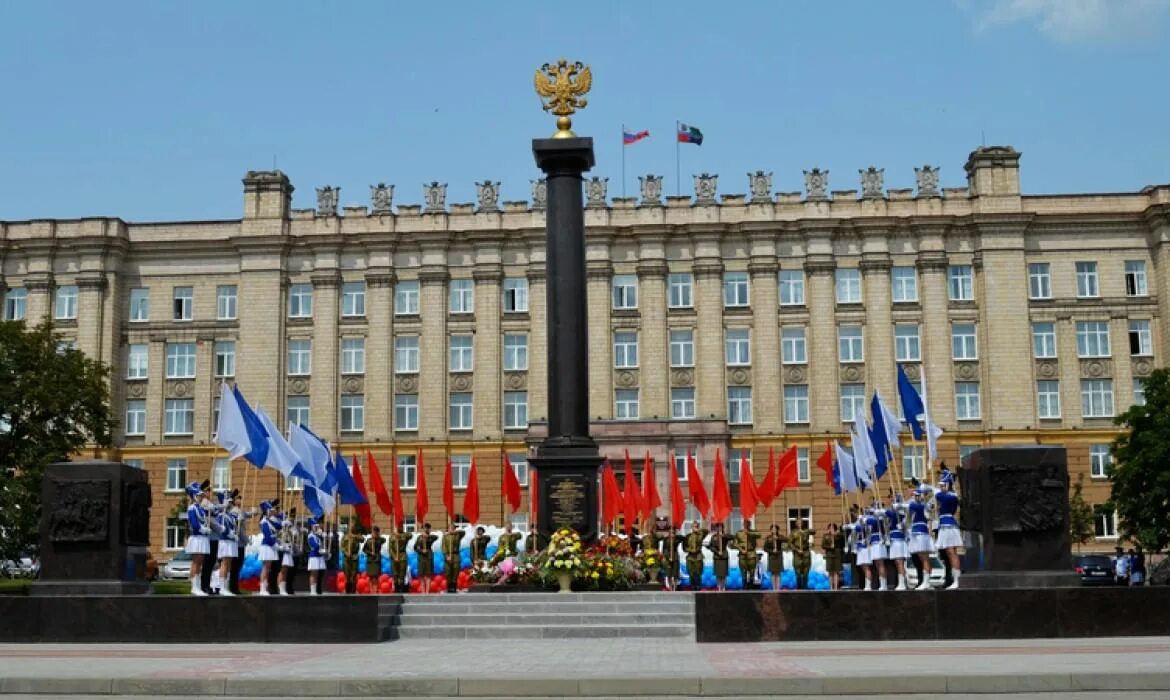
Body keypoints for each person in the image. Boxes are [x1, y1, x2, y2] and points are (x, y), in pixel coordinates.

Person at [934, 471, 962, 590]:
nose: (940, 487)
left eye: (943, 484)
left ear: (948, 484)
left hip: (948, 525)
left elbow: (939, 495)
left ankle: (957, 580)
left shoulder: (949, 496)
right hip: (945, 524)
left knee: (951, 553)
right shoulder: (950, 496)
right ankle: (955, 579)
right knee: (950, 553)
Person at [183, 480, 212, 596]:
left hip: (203, 538)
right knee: (196, 562)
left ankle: (197, 585)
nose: (201, 497)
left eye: (201, 495)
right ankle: (194, 586)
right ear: (194, 496)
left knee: (200, 562)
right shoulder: (192, 508)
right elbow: (194, 524)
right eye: (199, 496)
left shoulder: (200, 508)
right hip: (196, 537)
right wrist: (203, 529)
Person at [908, 486, 935, 590]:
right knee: (924, 558)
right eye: (915, 496)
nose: (915, 497)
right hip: (919, 532)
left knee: (924, 558)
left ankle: (926, 582)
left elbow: (909, 515)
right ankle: (926, 581)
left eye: (917, 496)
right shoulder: (924, 505)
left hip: (920, 532)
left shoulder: (916, 506)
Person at [213, 490, 239, 597]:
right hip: (225, 541)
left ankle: (226, 586)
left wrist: (235, 534)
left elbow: (233, 527)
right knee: (224, 563)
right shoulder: (221, 515)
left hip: (231, 542)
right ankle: (222, 587)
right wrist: (229, 533)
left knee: (229, 564)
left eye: (230, 501)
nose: (230, 503)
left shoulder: (231, 515)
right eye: (227, 501)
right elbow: (221, 529)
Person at [257, 500, 281, 596]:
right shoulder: (264, 522)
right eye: (270, 511)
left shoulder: (269, 521)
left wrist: (285, 523)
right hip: (267, 545)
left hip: (271, 546)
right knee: (265, 568)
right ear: (266, 511)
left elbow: (279, 526)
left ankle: (264, 587)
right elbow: (267, 535)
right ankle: (262, 588)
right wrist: (275, 544)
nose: (271, 512)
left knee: (268, 567)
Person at [886, 495, 910, 591]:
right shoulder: (895, 513)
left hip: (898, 540)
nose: (891, 504)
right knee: (897, 562)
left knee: (899, 562)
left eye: (893, 502)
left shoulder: (899, 514)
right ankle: (901, 582)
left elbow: (887, 513)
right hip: (894, 539)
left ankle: (902, 583)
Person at [865, 503, 888, 591]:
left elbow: (869, 522)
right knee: (877, 564)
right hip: (874, 542)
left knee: (880, 563)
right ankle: (882, 583)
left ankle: (884, 584)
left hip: (879, 541)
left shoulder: (880, 518)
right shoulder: (875, 518)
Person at [705, 522, 734, 591]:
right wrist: (717, 551)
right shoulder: (714, 537)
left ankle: (723, 587)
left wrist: (723, 536)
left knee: (723, 574)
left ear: (722, 528)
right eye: (717, 527)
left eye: (720, 527)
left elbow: (732, 537)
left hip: (724, 556)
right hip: (717, 557)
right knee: (718, 574)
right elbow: (710, 546)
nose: (719, 528)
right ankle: (718, 587)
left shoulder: (725, 536)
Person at [277, 509, 298, 595]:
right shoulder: (282, 530)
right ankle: (280, 589)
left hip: (289, 551)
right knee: (282, 570)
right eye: (290, 518)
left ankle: (283, 588)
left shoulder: (291, 530)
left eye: (293, 517)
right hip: (283, 551)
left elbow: (293, 540)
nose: (292, 519)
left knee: (286, 570)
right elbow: (278, 539)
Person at [790, 519, 814, 590]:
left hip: (806, 553)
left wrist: (804, 532)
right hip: (797, 554)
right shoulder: (793, 532)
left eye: (801, 522)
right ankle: (799, 588)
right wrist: (796, 550)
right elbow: (790, 544)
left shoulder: (806, 531)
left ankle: (805, 588)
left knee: (806, 572)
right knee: (798, 573)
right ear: (796, 524)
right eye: (798, 522)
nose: (799, 524)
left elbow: (814, 531)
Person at [388, 524, 413, 592]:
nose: (400, 528)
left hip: (402, 556)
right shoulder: (392, 536)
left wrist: (401, 535)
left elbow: (411, 535)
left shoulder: (405, 535)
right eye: (398, 526)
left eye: (401, 527)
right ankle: (396, 590)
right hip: (394, 557)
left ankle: (402, 590)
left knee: (402, 574)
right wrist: (394, 557)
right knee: (395, 574)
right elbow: (390, 549)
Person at [684, 521, 708, 590]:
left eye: (696, 526)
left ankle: (698, 588)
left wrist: (699, 530)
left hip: (698, 557)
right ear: (691, 527)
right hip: (690, 557)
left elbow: (706, 531)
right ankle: (692, 587)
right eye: (694, 526)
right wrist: (690, 550)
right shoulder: (688, 536)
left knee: (698, 574)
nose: (695, 528)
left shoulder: (700, 535)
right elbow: (684, 548)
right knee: (691, 573)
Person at [415, 522, 438, 593]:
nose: (426, 529)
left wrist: (427, 536)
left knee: (428, 574)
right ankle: (423, 591)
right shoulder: (419, 537)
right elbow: (415, 547)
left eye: (428, 528)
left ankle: (427, 592)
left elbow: (436, 537)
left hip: (428, 556)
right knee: (421, 575)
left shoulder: (431, 537)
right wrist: (421, 551)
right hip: (421, 557)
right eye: (425, 528)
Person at [763, 524, 787, 591]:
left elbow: (786, 540)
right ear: (770, 530)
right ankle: (774, 588)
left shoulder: (780, 536)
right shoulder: (768, 538)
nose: (774, 530)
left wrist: (778, 538)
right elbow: (765, 548)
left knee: (778, 573)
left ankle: (778, 588)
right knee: (773, 573)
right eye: (772, 529)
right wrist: (772, 551)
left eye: (775, 529)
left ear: (777, 529)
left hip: (778, 556)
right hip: (772, 557)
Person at [340, 522, 362, 594]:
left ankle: (353, 590)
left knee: (354, 574)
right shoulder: (345, 536)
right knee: (347, 574)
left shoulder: (357, 535)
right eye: (350, 526)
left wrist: (354, 536)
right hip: (347, 557)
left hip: (354, 557)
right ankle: (347, 590)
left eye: (353, 526)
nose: (351, 527)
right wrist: (346, 552)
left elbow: (362, 539)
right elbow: (342, 547)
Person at [442, 523, 464, 593]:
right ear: (448, 528)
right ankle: (449, 588)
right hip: (448, 556)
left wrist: (454, 532)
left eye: (453, 527)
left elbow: (463, 532)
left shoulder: (457, 535)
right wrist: (446, 556)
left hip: (456, 556)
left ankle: (454, 588)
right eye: (450, 527)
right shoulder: (445, 536)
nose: (452, 528)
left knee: (455, 572)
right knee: (448, 572)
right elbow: (443, 547)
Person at [306, 518, 325, 595]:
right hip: (314, 556)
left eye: (318, 527)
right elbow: (314, 545)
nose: (317, 528)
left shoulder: (317, 536)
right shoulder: (311, 535)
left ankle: (316, 589)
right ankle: (312, 590)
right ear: (312, 527)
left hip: (319, 556)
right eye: (316, 527)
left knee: (317, 574)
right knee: (313, 573)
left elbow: (322, 545)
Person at [362, 525, 384, 591]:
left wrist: (377, 537)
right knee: (371, 576)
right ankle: (371, 590)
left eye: (376, 532)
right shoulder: (369, 540)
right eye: (373, 532)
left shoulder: (379, 540)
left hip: (376, 560)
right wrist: (370, 553)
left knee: (376, 577)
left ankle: (375, 590)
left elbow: (384, 540)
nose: (374, 533)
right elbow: (364, 549)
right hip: (370, 560)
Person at [822, 524, 843, 591]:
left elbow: (841, 543)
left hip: (837, 554)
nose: (831, 530)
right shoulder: (826, 536)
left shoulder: (838, 536)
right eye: (830, 528)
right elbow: (823, 545)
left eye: (833, 528)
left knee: (836, 571)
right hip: (829, 554)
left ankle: (836, 587)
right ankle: (831, 587)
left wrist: (836, 535)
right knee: (830, 571)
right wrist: (829, 547)